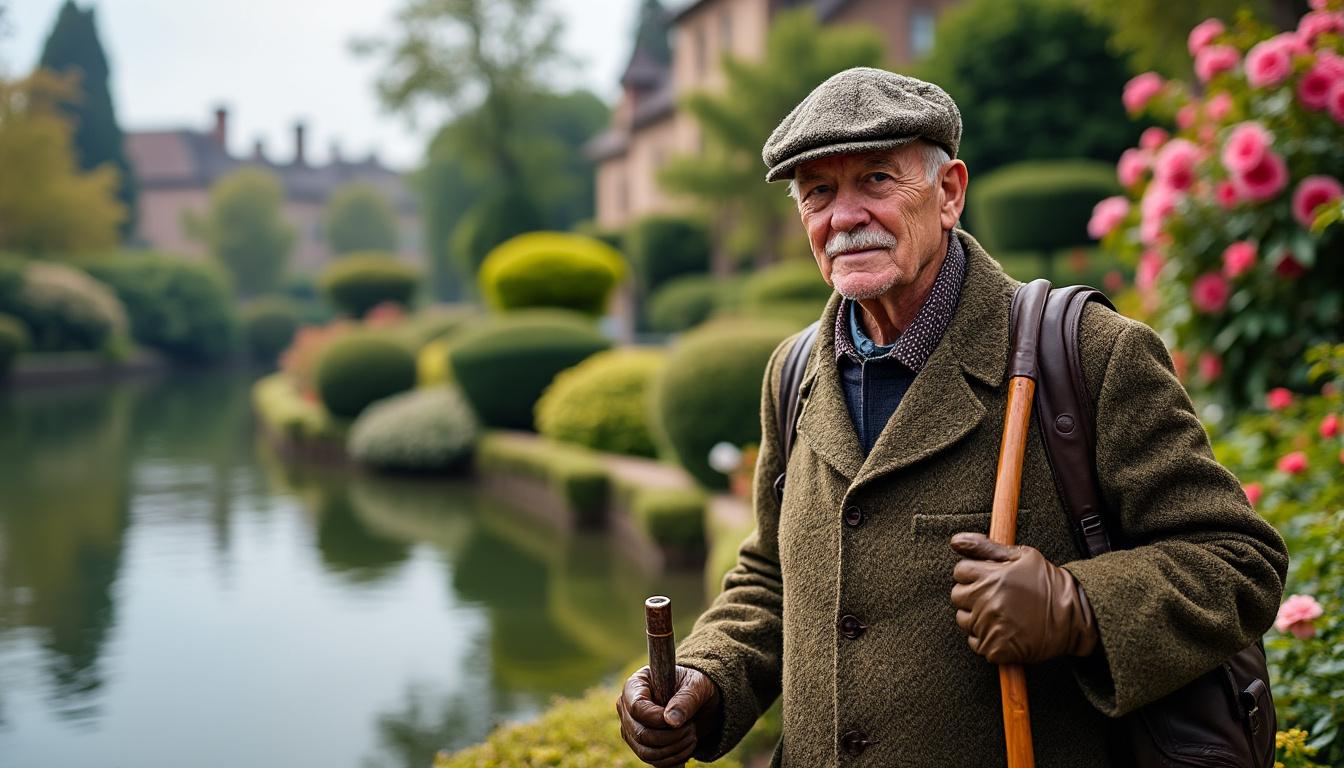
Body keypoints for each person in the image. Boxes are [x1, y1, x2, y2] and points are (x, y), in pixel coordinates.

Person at [615, 67, 1288, 767]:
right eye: (819, 191)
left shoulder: (1089, 354)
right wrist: (706, 675)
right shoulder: (792, 375)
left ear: (949, 192)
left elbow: (1240, 563)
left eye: (876, 179)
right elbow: (772, 577)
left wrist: (1078, 606)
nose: (844, 216)